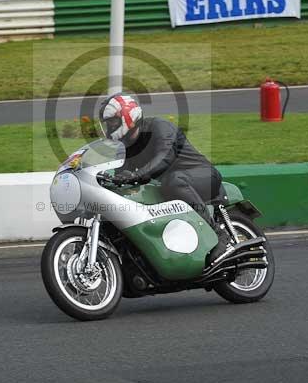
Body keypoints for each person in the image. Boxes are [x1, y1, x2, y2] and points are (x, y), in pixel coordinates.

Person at [98, 93, 232, 262]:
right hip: (172, 188)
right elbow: (121, 176)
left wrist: (135, 175)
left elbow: (164, 157)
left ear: (128, 115)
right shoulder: (127, 148)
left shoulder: (159, 127)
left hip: (204, 176)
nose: (110, 128)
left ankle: (218, 235)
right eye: (107, 124)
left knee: (174, 181)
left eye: (112, 122)